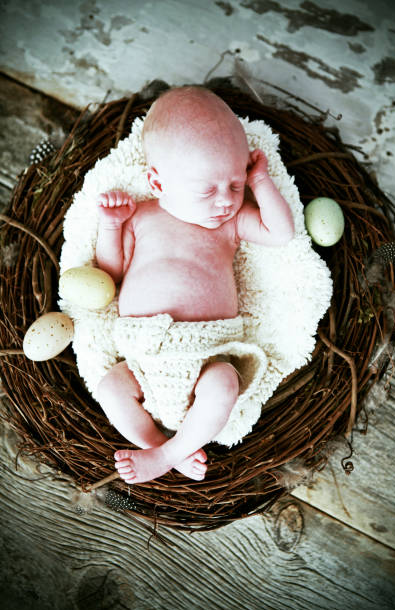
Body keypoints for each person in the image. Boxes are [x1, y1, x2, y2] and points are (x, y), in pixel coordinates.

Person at [95, 86, 294, 484]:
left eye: (234, 185)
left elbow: (281, 232)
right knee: (109, 387)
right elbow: (109, 275)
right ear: (158, 183)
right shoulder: (142, 216)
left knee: (225, 385)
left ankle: (171, 452)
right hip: (143, 356)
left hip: (208, 354)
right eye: (208, 189)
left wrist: (260, 182)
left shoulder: (229, 224)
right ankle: (156, 445)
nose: (224, 200)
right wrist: (111, 226)